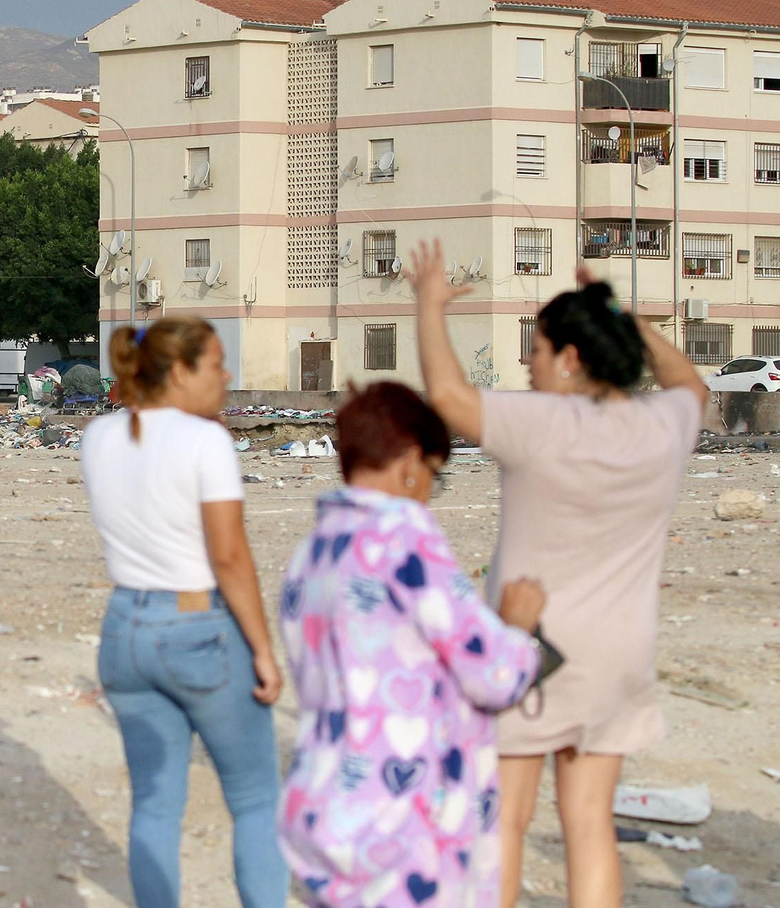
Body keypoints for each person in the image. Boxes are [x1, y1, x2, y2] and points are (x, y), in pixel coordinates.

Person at [407, 239, 706, 908]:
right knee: (590, 822)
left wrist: (429, 305)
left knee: (506, 820)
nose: (528, 363)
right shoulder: (662, 425)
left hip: (528, 648)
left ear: (570, 359)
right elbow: (692, 384)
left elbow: (450, 397)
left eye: (536, 349)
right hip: (620, 654)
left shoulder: (541, 423)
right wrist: (626, 318)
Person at [278, 381, 548, 906]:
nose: (427, 491)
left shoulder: (309, 554)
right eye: (433, 476)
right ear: (409, 460)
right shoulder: (403, 534)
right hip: (403, 821)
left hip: (323, 807)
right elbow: (494, 676)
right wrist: (517, 629)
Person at [80, 316, 286, 908]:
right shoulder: (206, 442)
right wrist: (264, 651)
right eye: (216, 364)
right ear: (179, 371)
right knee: (253, 799)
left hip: (124, 628)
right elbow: (228, 555)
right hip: (197, 627)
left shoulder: (100, 435)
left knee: (155, 804)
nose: (227, 375)